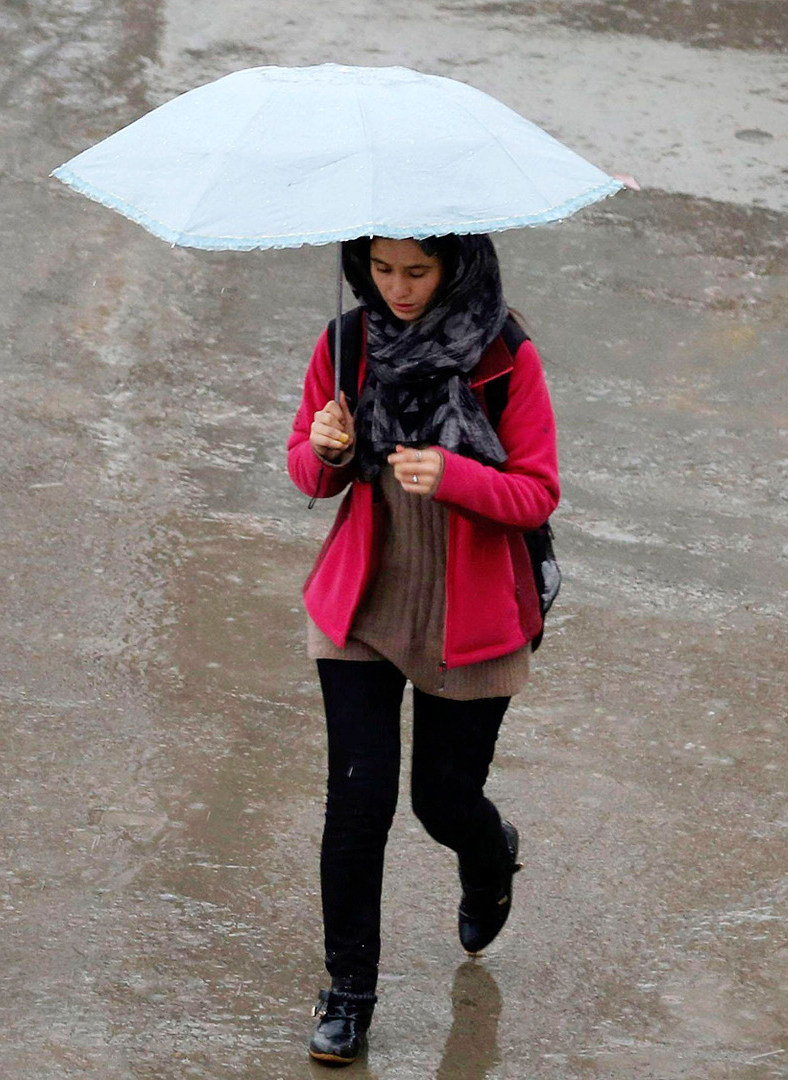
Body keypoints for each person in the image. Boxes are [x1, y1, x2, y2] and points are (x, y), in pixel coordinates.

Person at [285, 234, 560, 1066]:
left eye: (417, 271)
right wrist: (327, 450)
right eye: (380, 269)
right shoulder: (346, 343)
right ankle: (348, 996)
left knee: (443, 801)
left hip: (470, 605)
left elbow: (538, 490)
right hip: (365, 600)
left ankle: (489, 854)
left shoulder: (504, 354)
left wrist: (454, 475)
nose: (397, 290)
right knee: (357, 806)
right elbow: (306, 470)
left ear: (456, 266)